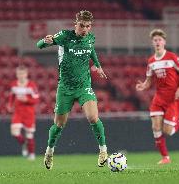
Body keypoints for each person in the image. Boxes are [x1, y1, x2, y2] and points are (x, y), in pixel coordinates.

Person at [37, 10, 108, 170]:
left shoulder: (90, 38)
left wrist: (97, 65)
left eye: (88, 26)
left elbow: (91, 50)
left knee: (93, 117)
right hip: (65, 88)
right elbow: (39, 45)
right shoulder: (64, 36)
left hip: (84, 86)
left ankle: (103, 150)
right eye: (82, 25)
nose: (85, 29)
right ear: (75, 24)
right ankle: (49, 151)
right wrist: (45, 41)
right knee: (59, 125)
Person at [136, 29, 179, 164]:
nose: (158, 42)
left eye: (160, 40)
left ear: (164, 42)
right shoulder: (151, 61)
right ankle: (165, 157)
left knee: (168, 131)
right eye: (155, 40)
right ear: (152, 43)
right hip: (158, 98)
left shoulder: (172, 57)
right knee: (155, 128)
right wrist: (143, 85)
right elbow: (149, 81)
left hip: (172, 98)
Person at [7, 65, 39, 160]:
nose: (20, 75)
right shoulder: (13, 85)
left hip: (29, 113)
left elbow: (36, 99)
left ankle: (32, 154)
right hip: (18, 112)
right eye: (19, 74)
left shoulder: (31, 85)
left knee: (29, 134)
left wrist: (27, 100)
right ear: (17, 75)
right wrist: (9, 105)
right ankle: (24, 144)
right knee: (14, 132)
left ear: (26, 74)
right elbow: (11, 96)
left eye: (22, 73)